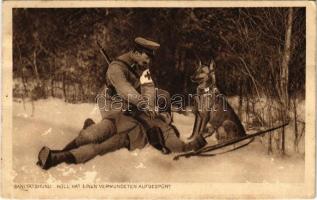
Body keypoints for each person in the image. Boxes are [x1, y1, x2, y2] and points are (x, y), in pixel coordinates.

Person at [37, 37, 206, 170]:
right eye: (146, 59)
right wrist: (144, 105)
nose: (147, 65)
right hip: (112, 104)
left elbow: (148, 87)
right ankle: (65, 149)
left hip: (129, 124)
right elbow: (125, 89)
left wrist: (148, 104)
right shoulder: (116, 68)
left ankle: (57, 157)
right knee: (93, 135)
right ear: (137, 52)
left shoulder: (163, 125)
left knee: (100, 146)